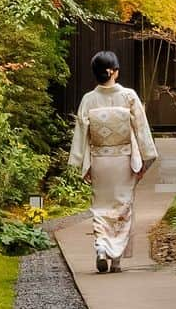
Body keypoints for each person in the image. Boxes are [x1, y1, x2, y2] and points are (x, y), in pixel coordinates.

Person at [68, 50, 159, 273]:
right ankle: (115, 257)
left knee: (100, 207)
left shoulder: (88, 99)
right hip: (124, 160)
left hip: (100, 160)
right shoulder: (129, 96)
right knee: (122, 207)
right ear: (115, 72)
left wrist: (81, 163)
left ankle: (101, 246)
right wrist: (146, 160)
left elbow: (81, 133)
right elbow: (141, 129)